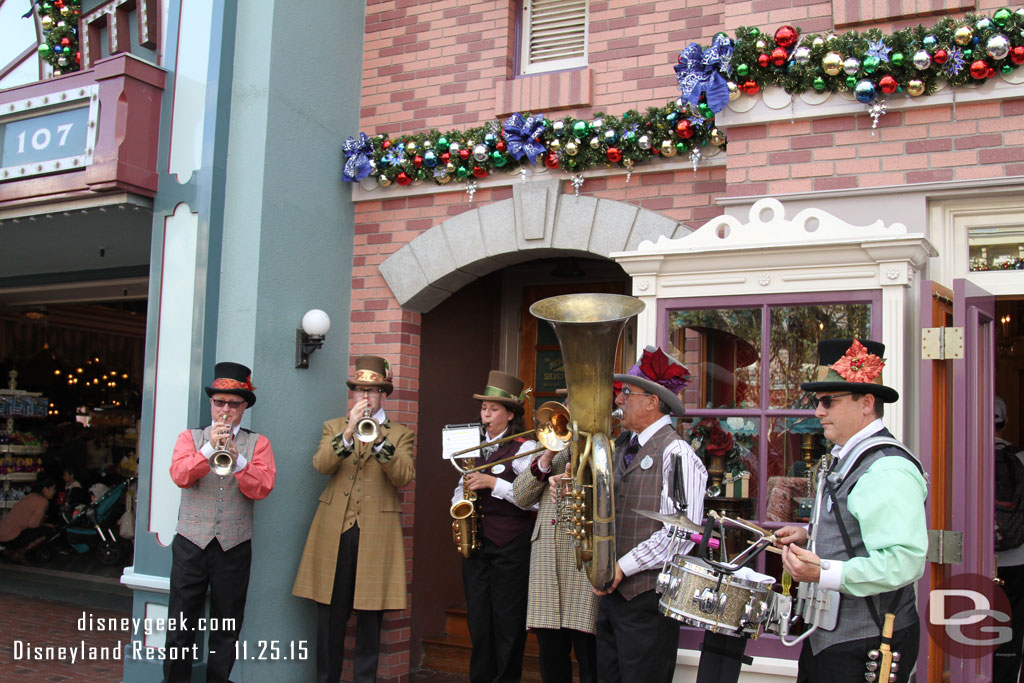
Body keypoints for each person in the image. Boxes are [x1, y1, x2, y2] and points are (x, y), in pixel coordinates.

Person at [775, 338, 927, 683]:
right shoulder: (850, 456)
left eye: (829, 401)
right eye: (818, 402)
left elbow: (903, 561)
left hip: (864, 642)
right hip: (828, 638)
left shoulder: (886, 468)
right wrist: (811, 536)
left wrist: (823, 573)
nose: (818, 411)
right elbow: (859, 528)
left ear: (866, 403)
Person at [292, 355, 415, 683]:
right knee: (330, 616)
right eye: (360, 390)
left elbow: (403, 476)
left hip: (376, 532)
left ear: (383, 394)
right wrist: (348, 431)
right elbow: (321, 465)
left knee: (370, 619)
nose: (365, 396)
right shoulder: (334, 426)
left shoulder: (400, 434)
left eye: (372, 390)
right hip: (335, 531)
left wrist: (378, 441)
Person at [595, 347, 707, 683]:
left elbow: (681, 533)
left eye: (627, 393)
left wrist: (621, 566)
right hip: (612, 595)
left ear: (652, 402)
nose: (619, 401)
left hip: (647, 598)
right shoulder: (618, 448)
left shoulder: (677, 452)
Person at [164, 362, 276, 683]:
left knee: (226, 627)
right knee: (180, 626)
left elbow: (262, 488)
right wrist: (210, 448)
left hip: (233, 546)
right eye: (219, 402)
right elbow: (181, 476)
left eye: (233, 403)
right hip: (191, 542)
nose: (225, 410)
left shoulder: (259, 444)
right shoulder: (191, 437)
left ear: (244, 408)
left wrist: (238, 459)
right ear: (211, 404)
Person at [451, 370, 537, 683]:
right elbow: (460, 486)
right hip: (477, 544)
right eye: (483, 408)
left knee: (507, 623)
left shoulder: (525, 448)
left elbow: (535, 501)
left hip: (511, 546)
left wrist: (494, 483)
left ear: (510, 414)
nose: (485, 415)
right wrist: (458, 503)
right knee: (479, 621)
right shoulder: (471, 445)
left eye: (493, 409)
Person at [513, 437, 599, 683]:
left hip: (583, 556)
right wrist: (547, 457)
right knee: (550, 656)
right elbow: (521, 497)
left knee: (589, 653)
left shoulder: (602, 445)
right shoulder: (547, 448)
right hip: (546, 558)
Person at [994, 395, 1024, 682]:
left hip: (977, 559)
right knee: (1013, 626)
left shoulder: (966, 459)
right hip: (1018, 559)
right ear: (1006, 422)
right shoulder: (1021, 458)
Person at [0, 476, 57, 564]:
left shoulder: (30, 496)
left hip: (3, 535)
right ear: (45, 489)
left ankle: (10, 550)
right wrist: (46, 525)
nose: (54, 492)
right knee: (49, 531)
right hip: (12, 537)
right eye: (53, 489)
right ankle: (20, 552)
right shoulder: (43, 502)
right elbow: (33, 524)